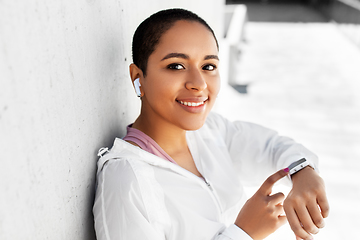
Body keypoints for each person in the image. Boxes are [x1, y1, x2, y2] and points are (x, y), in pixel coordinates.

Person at [93, 8, 329, 240]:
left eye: (208, 67)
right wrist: (244, 233)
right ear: (138, 77)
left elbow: (272, 147)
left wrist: (302, 172)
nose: (199, 84)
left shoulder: (211, 131)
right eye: (176, 66)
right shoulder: (128, 180)